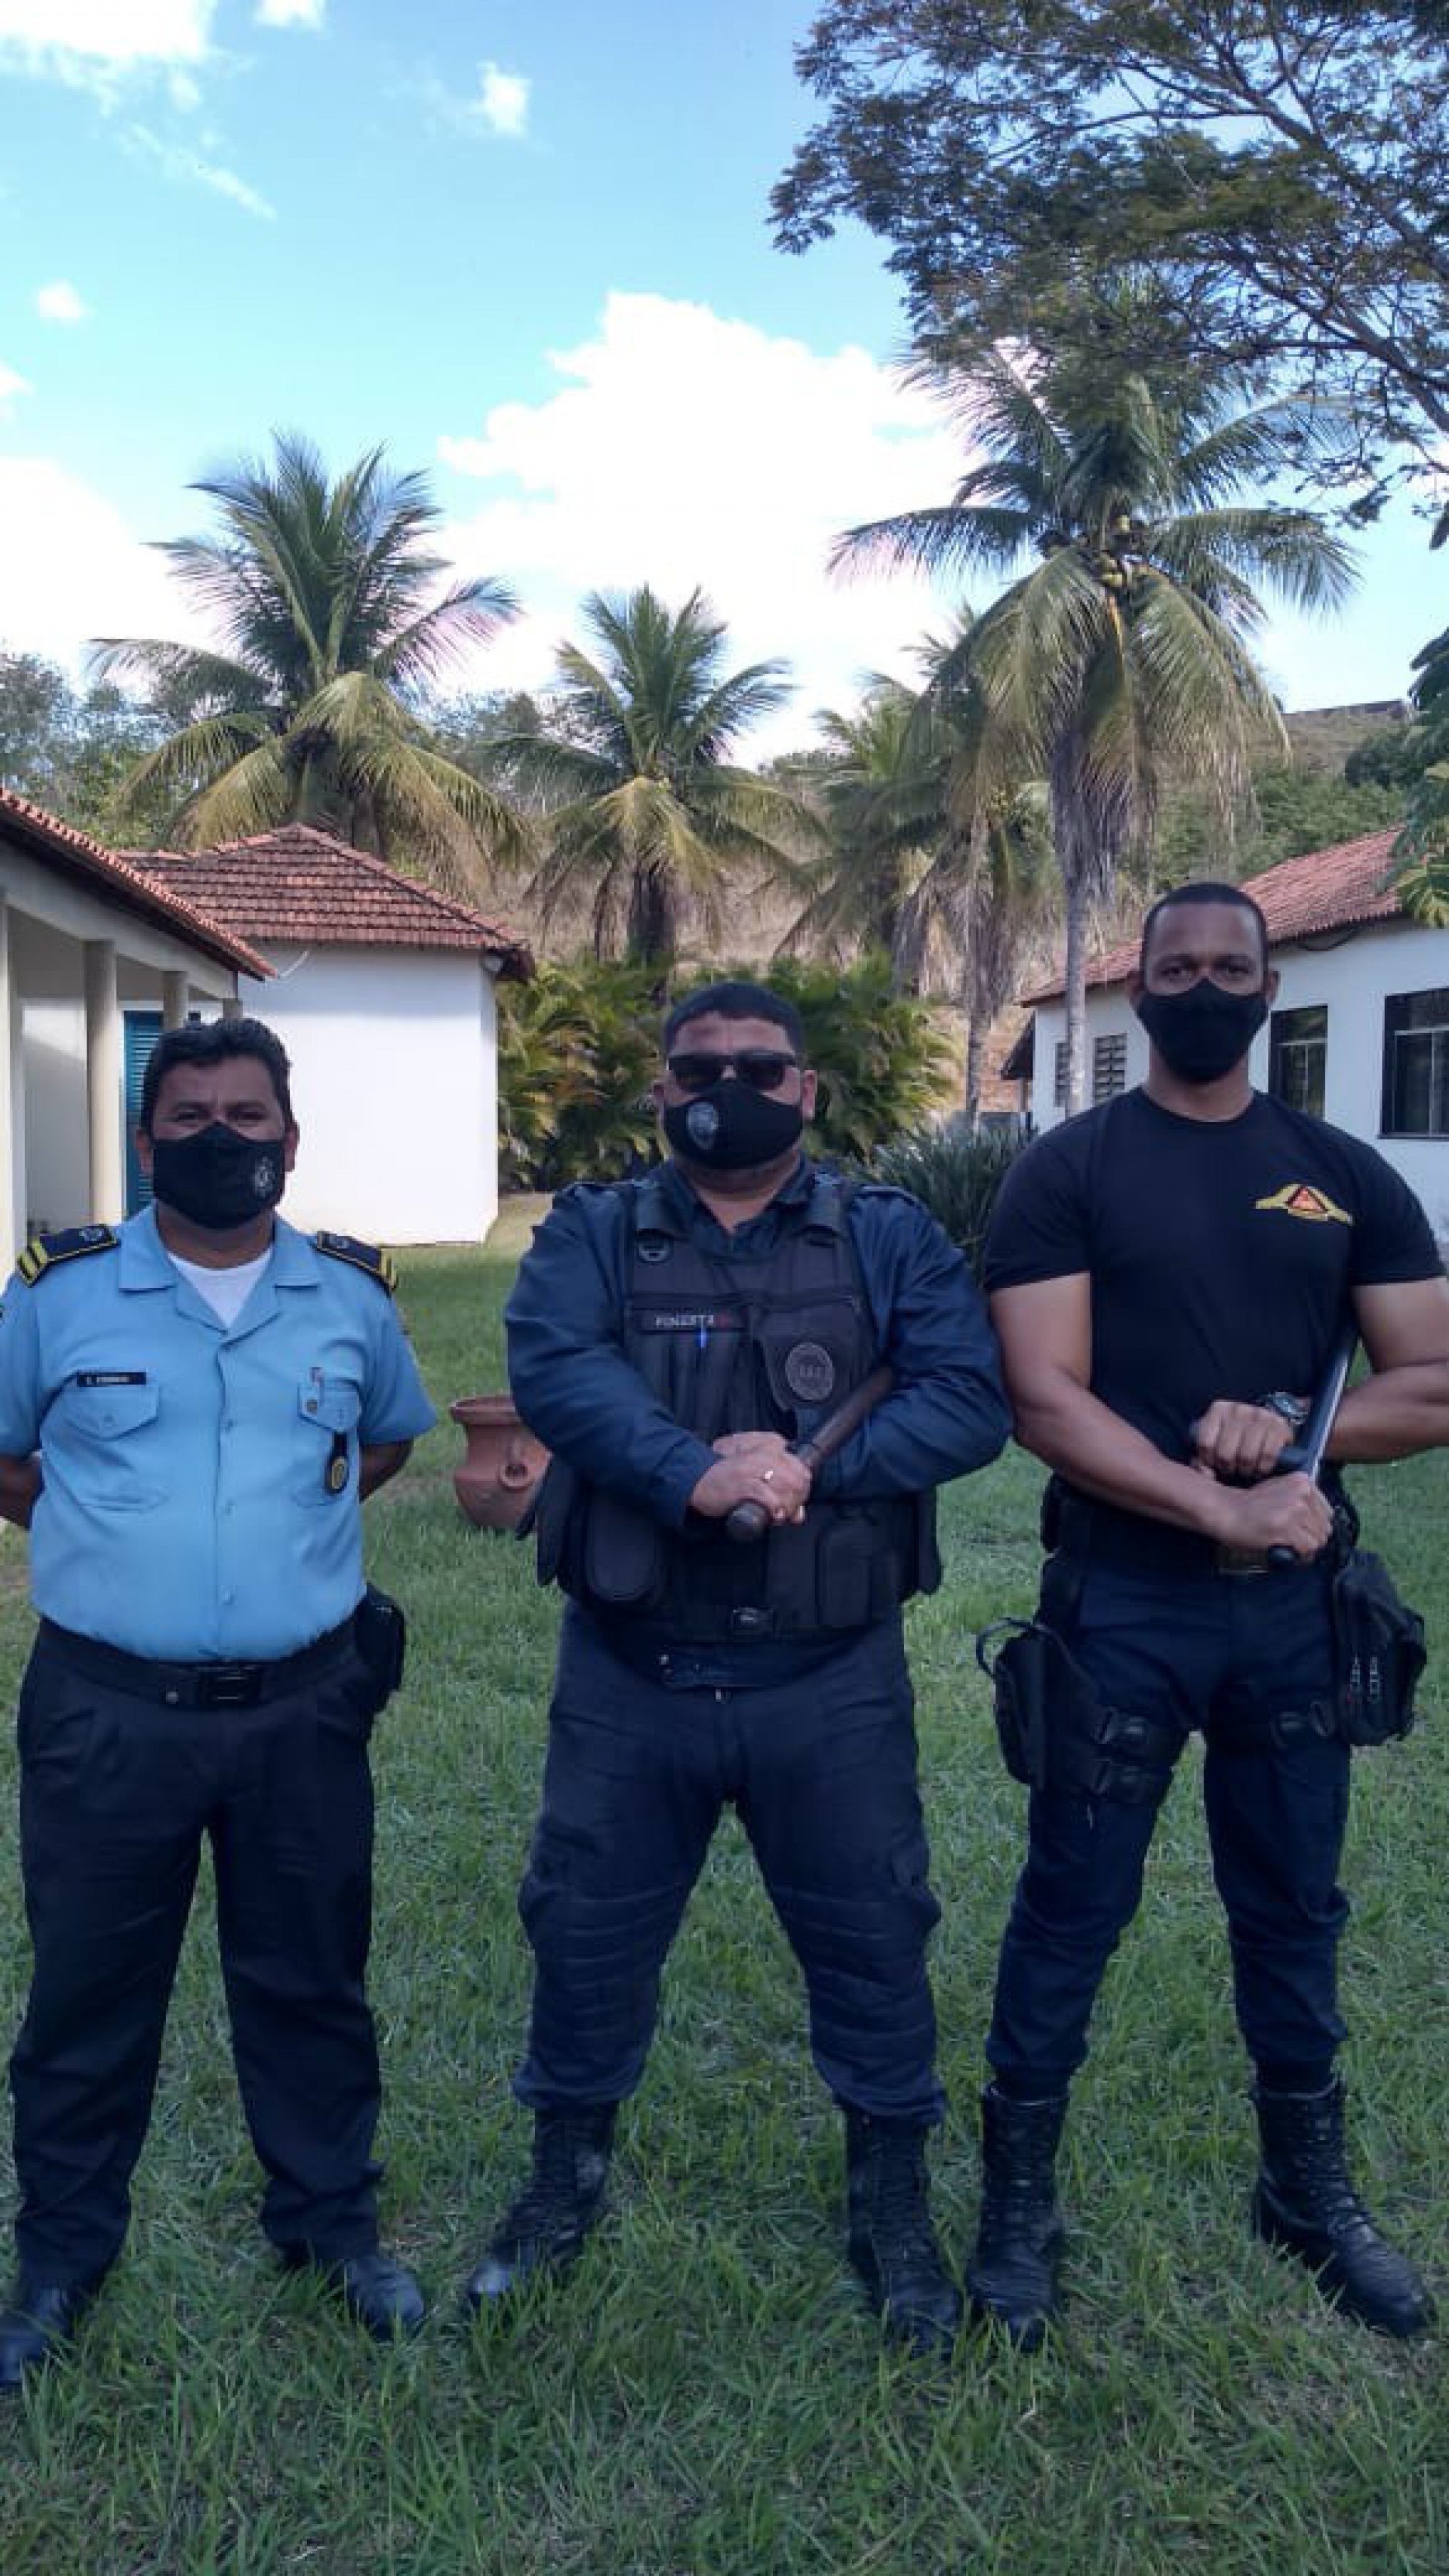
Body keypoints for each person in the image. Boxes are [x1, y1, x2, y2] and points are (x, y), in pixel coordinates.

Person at [464, 979, 1010, 2355]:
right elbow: (559, 1371)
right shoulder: (591, 1231)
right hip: (629, 1672)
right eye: (700, 1065)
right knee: (582, 1932)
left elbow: (967, 1394)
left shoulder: (884, 1234)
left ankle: (890, 2202)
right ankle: (561, 2182)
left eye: (760, 1064)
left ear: (807, 1090)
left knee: (877, 1937)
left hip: (828, 1680)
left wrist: (815, 1473)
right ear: (661, 1090)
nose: (730, 1084)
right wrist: (700, 1474)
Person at [970, 881, 1449, 2349]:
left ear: (1268, 985)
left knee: (1293, 1912)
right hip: (1121, 1604)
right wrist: (1214, 1499)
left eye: (1227, 965)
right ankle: (1016, 2208)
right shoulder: (1071, 1166)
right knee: (1072, 1907)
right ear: (1138, 987)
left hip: (1297, 1614)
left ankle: (1304, 2193)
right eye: (1174, 965)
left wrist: (1292, 1450)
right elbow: (1041, 1396)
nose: (1200, 984)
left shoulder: (1342, 1173)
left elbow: (1429, 1379)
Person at [0, 1016, 436, 2390]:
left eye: (249, 1117)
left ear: (291, 1140)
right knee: (88, 1991)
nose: (220, 1141)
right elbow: (10, 1460)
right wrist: (115, 1546)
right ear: (146, 1140)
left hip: (303, 1713)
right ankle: (62, 2256)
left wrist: (272, 1559)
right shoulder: (54, 1298)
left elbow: (384, 1440)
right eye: (189, 1118)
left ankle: (328, 2228)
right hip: (104, 1712)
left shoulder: (351, 1299)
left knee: (309, 1976)